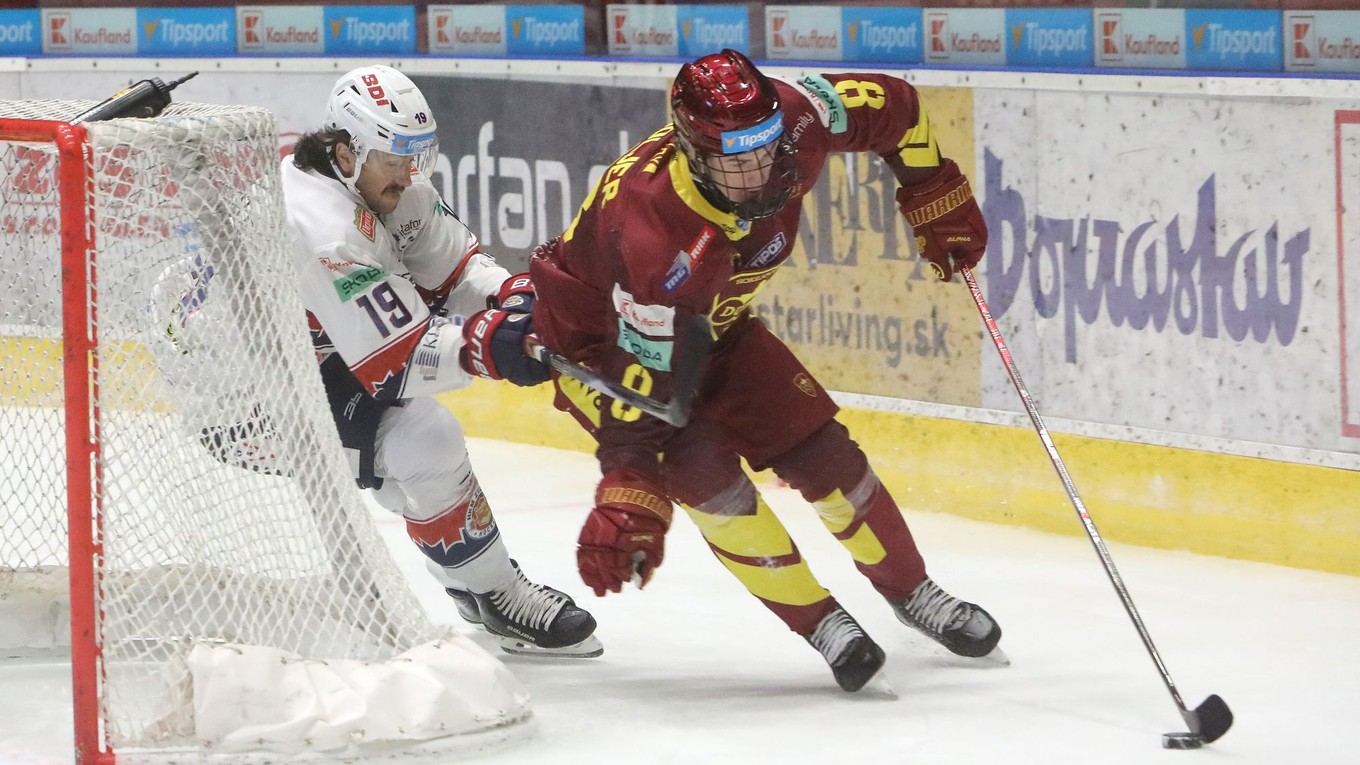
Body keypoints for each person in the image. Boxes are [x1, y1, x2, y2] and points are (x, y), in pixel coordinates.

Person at [464, 49, 1000, 690]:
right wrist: (630, 482)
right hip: (603, 351)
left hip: (714, 324)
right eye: (735, 158)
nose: (761, 170)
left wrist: (930, 184)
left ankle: (915, 594)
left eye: (765, 146)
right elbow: (647, 380)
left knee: (827, 456)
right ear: (693, 151)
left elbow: (897, 107)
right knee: (708, 480)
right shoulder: (657, 238)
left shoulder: (797, 120)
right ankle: (821, 621)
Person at [281, 64, 601, 658]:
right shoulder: (320, 227)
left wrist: (522, 301)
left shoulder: (380, 183)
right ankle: (495, 592)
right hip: (249, 391)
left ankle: (477, 588)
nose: (408, 175)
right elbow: (396, 362)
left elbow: (457, 272)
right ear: (346, 152)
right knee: (423, 443)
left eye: (415, 157)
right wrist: (493, 346)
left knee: (421, 466)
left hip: (321, 357)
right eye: (394, 160)